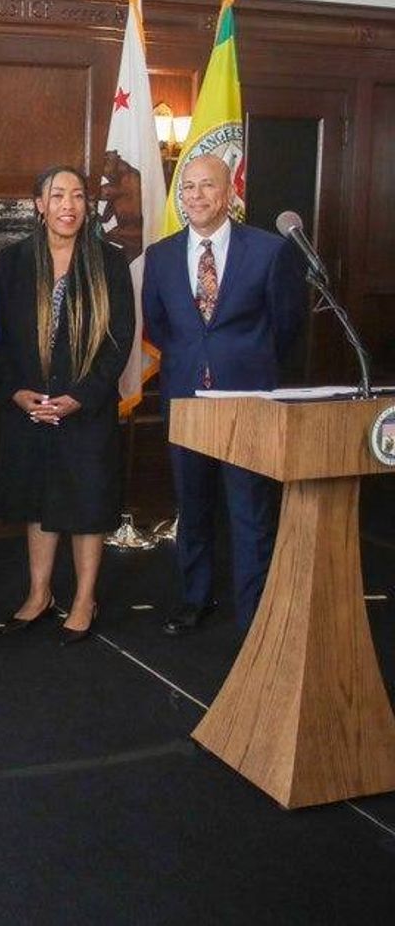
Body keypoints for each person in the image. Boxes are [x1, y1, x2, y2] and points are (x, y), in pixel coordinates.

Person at [142, 154, 305, 632]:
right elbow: (159, 323)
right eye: (187, 187)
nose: (195, 195)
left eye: (206, 185)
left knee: (249, 510)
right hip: (186, 398)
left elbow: (288, 326)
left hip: (248, 401)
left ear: (229, 192)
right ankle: (196, 599)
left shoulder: (270, 251)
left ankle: (253, 613)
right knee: (193, 507)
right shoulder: (162, 255)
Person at [0, 166, 135, 645]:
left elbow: (119, 342)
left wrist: (82, 396)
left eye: (77, 195)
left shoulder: (109, 262)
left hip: (86, 409)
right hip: (29, 406)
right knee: (38, 501)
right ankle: (39, 594)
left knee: (87, 504)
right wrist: (16, 391)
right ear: (40, 204)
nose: (68, 204)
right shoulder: (11, 262)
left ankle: (83, 598)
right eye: (58, 195)